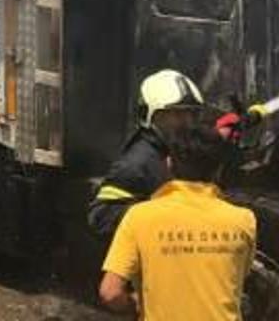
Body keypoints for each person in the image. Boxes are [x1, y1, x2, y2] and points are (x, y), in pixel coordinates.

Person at [98, 121, 257, 320]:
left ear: (169, 164)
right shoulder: (243, 220)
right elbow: (236, 276)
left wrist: (135, 304)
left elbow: (110, 292)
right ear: (218, 169)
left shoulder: (139, 217)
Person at [87, 69, 205, 239]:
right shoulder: (137, 163)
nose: (187, 122)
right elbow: (101, 217)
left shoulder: (176, 151)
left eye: (192, 114)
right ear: (152, 116)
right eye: (178, 114)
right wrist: (161, 214)